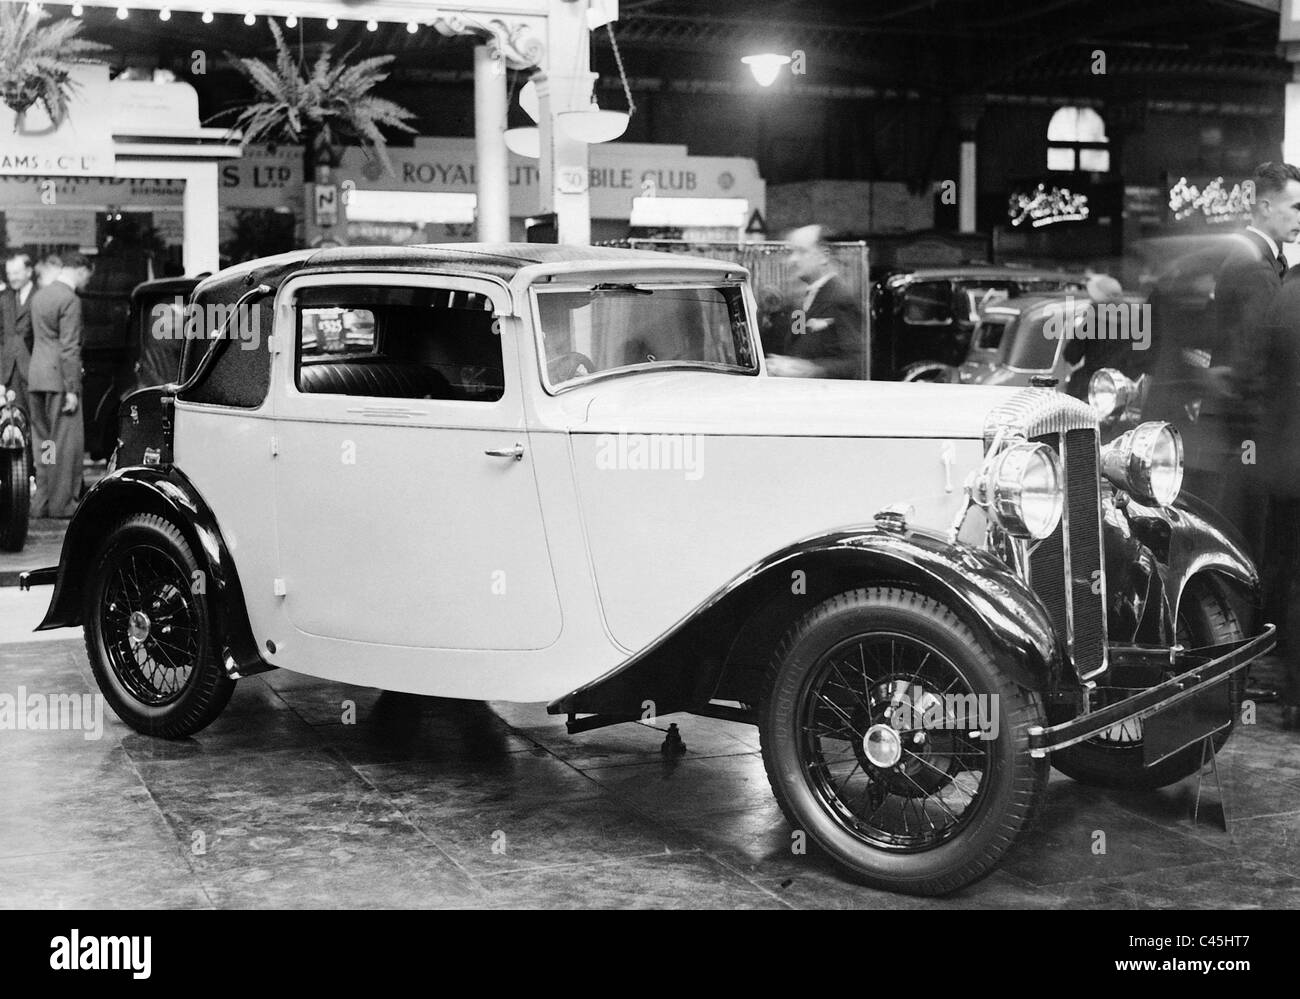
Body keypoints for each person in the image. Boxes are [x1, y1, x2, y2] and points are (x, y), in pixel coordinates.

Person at [28, 252, 92, 519]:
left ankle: (42, 502)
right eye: (89, 274)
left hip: (37, 377)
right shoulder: (69, 299)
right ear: (80, 270)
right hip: (59, 380)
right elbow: (69, 347)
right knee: (66, 446)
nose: (88, 280)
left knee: (45, 445)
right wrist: (72, 388)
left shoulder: (39, 296)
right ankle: (62, 504)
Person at [766, 225, 864, 378]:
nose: (793, 259)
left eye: (802, 251)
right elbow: (797, 340)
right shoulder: (803, 298)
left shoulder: (841, 298)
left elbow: (854, 361)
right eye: (791, 252)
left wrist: (813, 369)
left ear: (823, 256)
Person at [0, 252, 37, 416]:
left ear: (29, 271)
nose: (11, 278)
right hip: (7, 374)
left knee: (35, 424)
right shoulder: (4, 298)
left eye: (16, 273)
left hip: (33, 372)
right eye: (8, 274)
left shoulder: (41, 296)